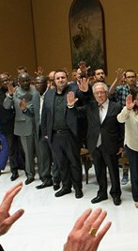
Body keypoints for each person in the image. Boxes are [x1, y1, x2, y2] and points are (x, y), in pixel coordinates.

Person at [41, 70, 87, 199]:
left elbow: (85, 108)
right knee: (61, 163)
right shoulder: (49, 95)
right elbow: (44, 115)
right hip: (54, 135)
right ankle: (66, 187)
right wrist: (45, 133)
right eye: (58, 78)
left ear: (66, 79)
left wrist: (73, 106)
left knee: (74, 163)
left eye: (63, 77)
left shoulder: (74, 91)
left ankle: (78, 188)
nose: (60, 80)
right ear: (54, 81)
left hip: (70, 135)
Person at [78, 81, 125, 205]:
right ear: (94, 94)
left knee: (113, 171)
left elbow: (121, 127)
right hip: (95, 144)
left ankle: (116, 194)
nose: (100, 95)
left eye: (102, 92)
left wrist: (121, 144)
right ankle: (102, 193)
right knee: (99, 171)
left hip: (111, 144)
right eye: (97, 93)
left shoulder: (116, 107)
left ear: (106, 93)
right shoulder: (90, 106)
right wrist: (84, 92)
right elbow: (82, 100)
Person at [4, 72, 41, 185]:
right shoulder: (14, 92)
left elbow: (36, 106)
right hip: (23, 125)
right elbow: (6, 106)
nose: (26, 83)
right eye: (23, 81)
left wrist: (28, 107)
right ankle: (30, 174)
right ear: (18, 82)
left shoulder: (34, 90)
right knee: (28, 153)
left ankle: (44, 174)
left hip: (36, 124)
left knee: (41, 152)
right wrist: (10, 96)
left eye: (27, 80)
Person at [0, 73, 22, 180]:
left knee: (21, 147)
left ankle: (23, 166)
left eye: (7, 80)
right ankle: (14, 171)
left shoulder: (18, 91)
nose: (5, 82)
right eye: (3, 81)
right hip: (6, 125)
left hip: (20, 123)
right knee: (10, 148)